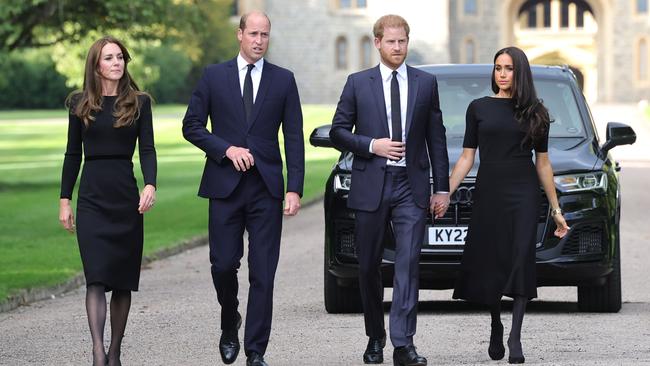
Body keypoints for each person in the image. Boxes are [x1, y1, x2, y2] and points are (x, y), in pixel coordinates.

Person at [182, 11, 304, 366]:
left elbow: (293, 138)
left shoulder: (283, 80)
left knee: (263, 271)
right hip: (225, 187)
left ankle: (256, 351)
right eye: (253, 33)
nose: (259, 41)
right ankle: (228, 318)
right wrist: (225, 149)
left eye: (265, 34)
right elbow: (191, 126)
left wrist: (294, 188)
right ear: (239, 35)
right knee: (222, 265)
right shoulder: (213, 76)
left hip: (266, 188)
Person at [330, 14, 449, 366]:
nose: (397, 48)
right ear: (377, 43)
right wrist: (371, 145)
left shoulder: (426, 83)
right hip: (371, 184)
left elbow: (436, 140)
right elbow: (338, 131)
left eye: (402, 41)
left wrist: (441, 189)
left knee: (408, 265)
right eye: (391, 42)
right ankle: (374, 336)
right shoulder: (357, 83)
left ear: (407, 43)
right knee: (367, 266)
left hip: (410, 187)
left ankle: (403, 344)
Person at [450, 46, 570, 364]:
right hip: (490, 192)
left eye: (508, 68)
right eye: (497, 67)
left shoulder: (537, 113)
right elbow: (466, 157)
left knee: (521, 258)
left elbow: (543, 164)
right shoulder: (478, 108)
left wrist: (557, 211)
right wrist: (445, 191)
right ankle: (495, 323)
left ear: (520, 72)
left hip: (523, 193)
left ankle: (515, 335)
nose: (501, 74)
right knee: (493, 260)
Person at [59, 36, 157, 366]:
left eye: (120, 57)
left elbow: (147, 149)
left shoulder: (140, 103)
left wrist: (151, 185)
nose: (116, 63)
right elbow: (72, 154)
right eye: (109, 58)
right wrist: (64, 200)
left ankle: (115, 351)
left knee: (122, 280)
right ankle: (98, 353)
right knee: (97, 277)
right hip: (91, 199)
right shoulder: (79, 103)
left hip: (125, 198)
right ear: (96, 65)